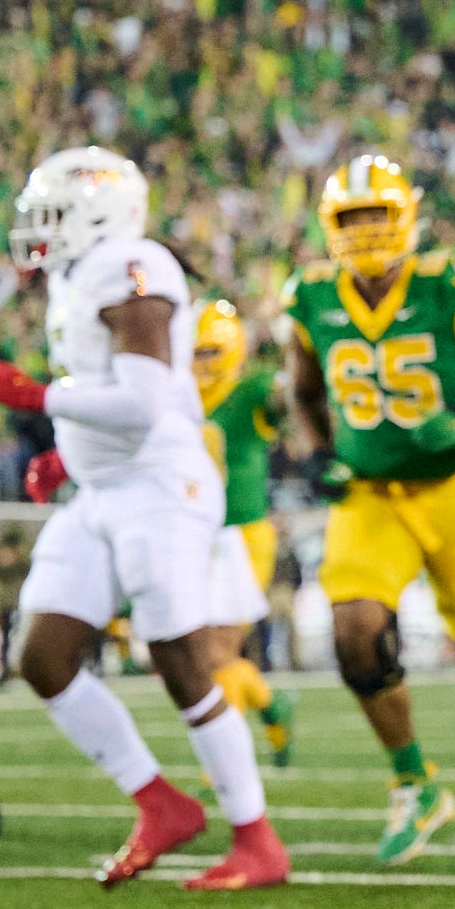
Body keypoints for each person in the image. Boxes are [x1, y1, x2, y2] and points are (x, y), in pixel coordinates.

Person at [0, 146, 291, 892]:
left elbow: (146, 404)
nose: (39, 231)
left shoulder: (132, 267)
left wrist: (35, 399)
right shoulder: (77, 275)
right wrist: (67, 457)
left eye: (54, 215)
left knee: (181, 659)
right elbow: (122, 388)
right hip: (105, 488)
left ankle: (257, 840)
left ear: (100, 215)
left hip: (160, 485)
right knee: (43, 657)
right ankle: (159, 803)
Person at [286, 154, 455, 868]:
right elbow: (303, 390)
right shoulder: (311, 297)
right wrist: (319, 453)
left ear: (407, 215)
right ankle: (414, 782)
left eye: (378, 214)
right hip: (373, 491)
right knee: (353, 632)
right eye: (353, 217)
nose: (367, 229)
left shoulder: (450, 288)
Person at [192, 298, 295, 765]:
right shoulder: (180, 399)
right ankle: (271, 706)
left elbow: (286, 399)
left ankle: (224, 765)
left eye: (210, 351)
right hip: (199, 537)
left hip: (243, 536)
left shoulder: (253, 388)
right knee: (204, 655)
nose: (203, 362)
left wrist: (287, 354)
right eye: (196, 352)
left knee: (216, 653)